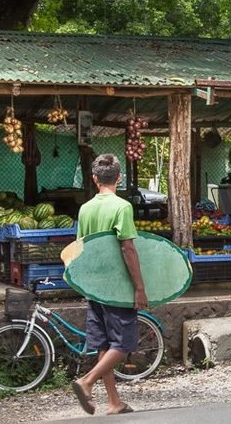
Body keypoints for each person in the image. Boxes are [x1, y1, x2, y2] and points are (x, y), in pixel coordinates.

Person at [71, 154, 148, 416]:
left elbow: (81, 248)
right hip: (117, 286)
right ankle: (87, 381)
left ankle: (114, 402)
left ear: (94, 179)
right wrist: (139, 287)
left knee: (104, 344)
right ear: (119, 178)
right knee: (124, 344)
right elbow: (128, 248)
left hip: (95, 286)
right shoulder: (121, 207)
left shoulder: (85, 209)